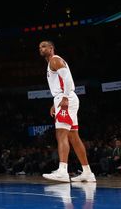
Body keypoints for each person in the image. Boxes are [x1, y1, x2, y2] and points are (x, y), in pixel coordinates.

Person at [38, 41, 96, 182]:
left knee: (61, 133)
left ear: (51, 48)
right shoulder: (52, 62)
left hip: (66, 98)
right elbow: (61, 83)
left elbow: (68, 80)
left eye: (44, 46)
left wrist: (63, 98)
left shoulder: (55, 60)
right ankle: (87, 172)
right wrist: (55, 102)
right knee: (74, 137)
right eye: (40, 47)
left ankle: (63, 171)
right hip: (65, 98)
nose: (41, 48)